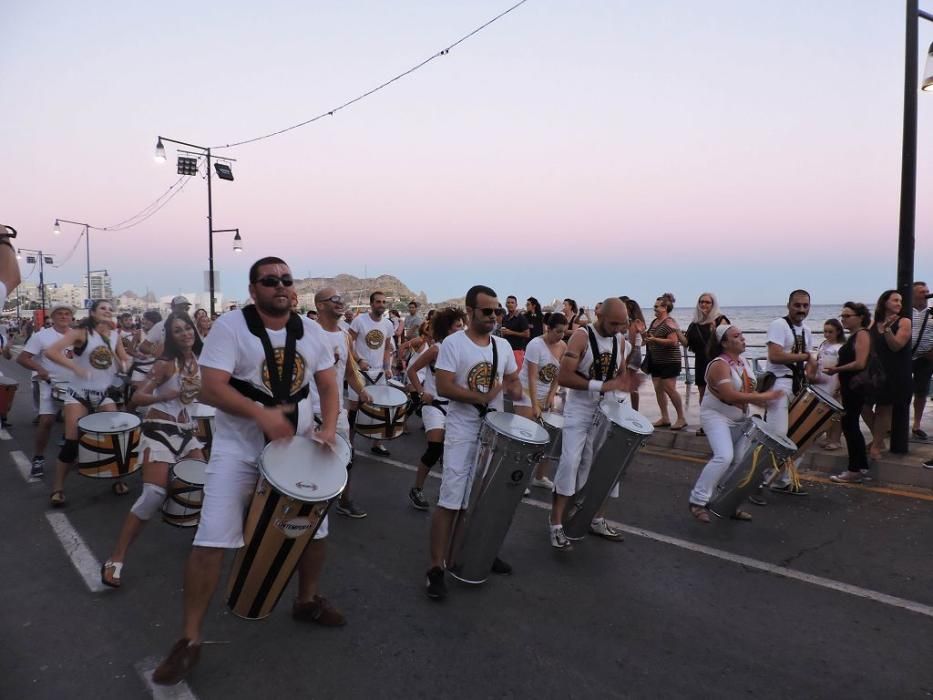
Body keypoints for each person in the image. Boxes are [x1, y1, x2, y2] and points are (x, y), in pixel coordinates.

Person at [151, 257, 340, 686]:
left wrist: (328, 429)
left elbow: (328, 385)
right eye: (270, 280)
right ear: (253, 289)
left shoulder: (310, 331)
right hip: (238, 451)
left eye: (286, 280)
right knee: (210, 541)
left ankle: (306, 600)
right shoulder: (231, 328)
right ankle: (189, 640)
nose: (280, 286)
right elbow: (211, 387)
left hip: (299, 450)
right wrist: (260, 415)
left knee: (313, 535)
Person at [425, 285, 522, 600]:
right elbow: (444, 386)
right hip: (462, 430)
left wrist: (517, 393)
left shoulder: (503, 347)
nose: (493, 316)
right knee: (451, 499)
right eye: (487, 311)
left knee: (481, 499)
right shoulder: (453, 344)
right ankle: (436, 568)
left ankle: (472, 552)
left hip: (492, 433)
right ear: (469, 312)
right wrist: (484, 396)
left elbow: (512, 382)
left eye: (497, 311)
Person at [101, 312, 205, 587]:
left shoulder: (198, 361)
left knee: (204, 485)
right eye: (178, 330)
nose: (185, 334)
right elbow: (137, 398)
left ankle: (205, 543)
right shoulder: (165, 364)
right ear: (170, 337)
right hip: (158, 429)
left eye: (187, 329)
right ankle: (117, 557)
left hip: (187, 432)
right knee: (152, 495)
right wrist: (163, 395)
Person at [548, 298, 632, 550]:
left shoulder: (620, 341)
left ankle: (596, 518)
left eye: (622, 324)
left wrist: (622, 390)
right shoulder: (581, 337)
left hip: (607, 409)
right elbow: (563, 376)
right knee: (571, 462)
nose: (618, 328)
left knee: (606, 465)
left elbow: (621, 374)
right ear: (600, 316)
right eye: (613, 323)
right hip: (579, 409)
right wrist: (601, 386)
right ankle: (555, 524)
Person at [688, 325, 782, 522]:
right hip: (716, 416)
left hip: (739, 418)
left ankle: (723, 502)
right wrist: (761, 397)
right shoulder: (719, 364)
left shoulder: (743, 362)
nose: (743, 338)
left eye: (742, 335)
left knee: (738, 462)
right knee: (724, 456)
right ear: (724, 342)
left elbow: (748, 390)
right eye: (737, 336)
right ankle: (697, 501)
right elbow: (729, 395)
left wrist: (763, 398)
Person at [45, 300, 132, 506]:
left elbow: (124, 362)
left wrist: (123, 363)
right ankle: (58, 488)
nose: (107, 312)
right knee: (72, 443)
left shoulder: (115, 336)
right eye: (103, 308)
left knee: (116, 438)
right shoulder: (81, 333)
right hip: (79, 394)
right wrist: (75, 368)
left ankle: (118, 479)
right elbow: (52, 352)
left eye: (110, 309)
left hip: (103, 394)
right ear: (92, 312)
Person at [311, 287, 373, 519]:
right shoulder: (309, 333)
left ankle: (344, 501)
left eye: (341, 298)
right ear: (320, 305)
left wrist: (361, 390)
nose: (340, 302)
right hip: (310, 410)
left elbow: (349, 371)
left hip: (336, 411)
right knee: (310, 460)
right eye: (334, 299)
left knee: (346, 457)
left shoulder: (345, 335)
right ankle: (308, 504)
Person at [756, 289, 816, 500]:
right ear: (788, 305)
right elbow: (775, 355)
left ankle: (783, 480)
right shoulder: (779, 325)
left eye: (805, 306)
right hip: (779, 386)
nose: (801, 309)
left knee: (801, 435)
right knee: (778, 435)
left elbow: (806, 363)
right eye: (797, 305)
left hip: (798, 386)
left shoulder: (807, 331)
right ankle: (756, 481)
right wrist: (808, 356)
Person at [405, 307, 466, 510]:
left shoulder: (464, 351)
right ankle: (417, 488)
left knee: (454, 452)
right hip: (434, 406)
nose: (462, 329)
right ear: (447, 329)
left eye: (462, 325)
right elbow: (412, 370)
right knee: (435, 448)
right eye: (458, 326)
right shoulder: (436, 349)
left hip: (456, 408)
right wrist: (422, 392)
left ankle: (449, 493)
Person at [17, 303, 75, 478]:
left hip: (74, 386)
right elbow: (22, 358)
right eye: (60, 314)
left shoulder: (78, 336)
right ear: (53, 317)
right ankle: (38, 458)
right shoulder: (41, 336)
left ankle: (74, 455)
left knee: (75, 422)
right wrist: (40, 369)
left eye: (67, 314)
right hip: (50, 384)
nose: (64, 316)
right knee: (47, 421)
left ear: (71, 317)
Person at [513, 312, 567, 489]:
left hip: (545, 394)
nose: (560, 336)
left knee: (546, 438)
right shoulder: (536, 345)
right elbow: (532, 376)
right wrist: (535, 404)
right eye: (557, 331)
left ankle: (540, 476)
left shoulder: (563, 346)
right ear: (548, 328)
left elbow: (559, 374)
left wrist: (552, 395)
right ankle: (518, 477)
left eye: (563, 332)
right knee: (526, 437)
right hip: (527, 392)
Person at [825, 303, 873, 483]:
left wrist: (837, 369)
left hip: (856, 387)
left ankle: (855, 469)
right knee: (850, 425)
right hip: (850, 386)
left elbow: (860, 363)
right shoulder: (855, 335)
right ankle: (860, 466)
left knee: (850, 425)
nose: (843, 319)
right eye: (842, 315)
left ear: (860, 317)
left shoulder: (861, 334)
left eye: (847, 316)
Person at [347, 291, 396, 462]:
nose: (381, 304)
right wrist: (359, 360)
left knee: (382, 408)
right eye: (378, 302)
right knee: (354, 408)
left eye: (383, 301)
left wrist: (387, 366)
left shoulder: (388, 324)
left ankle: (377, 443)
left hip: (379, 372)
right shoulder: (359, 321)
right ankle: (349, 445)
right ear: (371, 304)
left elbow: (387, 347)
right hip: (359, 371)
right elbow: (347, 342)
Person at [864, 290, 912, 460]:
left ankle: (876, 445)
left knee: (884, 408)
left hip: (896, 372)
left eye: (900, 300)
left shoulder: (904, 322)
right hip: (876, 371)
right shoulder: (873, 323)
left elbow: (897, 346)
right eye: (895, 300)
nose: (899, 303)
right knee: (864, 405)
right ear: (884, 302)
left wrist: (887, 331)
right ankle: (880, 437)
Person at [644, 293, 687, 431]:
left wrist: (655, 340)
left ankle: (681, 418)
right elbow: (651, 337)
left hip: (670, 361)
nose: (654, 308)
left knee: (669, 389)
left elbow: (673, 342)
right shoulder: (654, 322)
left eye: (656, 306)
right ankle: (665, 417)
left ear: (665, 308)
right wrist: (643, 334)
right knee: (658, 389)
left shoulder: (669, 322)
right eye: (654, 306)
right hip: (656, 360)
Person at [685, 293, 730, 415]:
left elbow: (727, 341)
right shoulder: (695, 323)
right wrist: (675, 331)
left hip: (717, 361)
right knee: (702, 391)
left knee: (719, 391)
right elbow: (686, 343)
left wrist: (714, 331)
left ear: (713, 304)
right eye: (701, 302)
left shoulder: (720, 320)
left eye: (707, 302)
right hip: (700, 360)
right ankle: (706, 421)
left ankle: (722, 419)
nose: (703, 304)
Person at [806, 318, 845, 450]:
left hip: (834, 380)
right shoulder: (823, 344)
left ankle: (836, 439)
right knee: (824, 411)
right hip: (821, 380)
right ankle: (828, 437)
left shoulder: (841, 348)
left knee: (835, 413)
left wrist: (839, 386)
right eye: (825, 331)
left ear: (838, 332)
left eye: (830, 332)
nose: (827, 334)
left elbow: (842, 367)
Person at [909, 281, 933, 439]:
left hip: (926, 357)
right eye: (921, 291)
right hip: (905, 358)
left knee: (921, 392)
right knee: (899, 390)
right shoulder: (905, 312)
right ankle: (893, 422)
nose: (925, 293)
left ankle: (916, 424)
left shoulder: (932, 313)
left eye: (927, 291)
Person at [620, 297, 647, 412]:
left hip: (632, 352)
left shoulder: (633, 323)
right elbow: (644, 341)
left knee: (627, 382)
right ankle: (634, 410)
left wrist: (625, 361)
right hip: (637, 352)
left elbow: (630, 343)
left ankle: (632, 410)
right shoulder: (639, 322)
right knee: (631, 384)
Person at [500, 295, 530, 367]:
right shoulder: (505, 318)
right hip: (506, 350)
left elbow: (527, 334)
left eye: (512, 303)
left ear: (516, 305)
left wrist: (511, 332)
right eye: (508, 302)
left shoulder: (521, 318)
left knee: (517, 375)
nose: (510, 304)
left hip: (517, 351)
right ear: (505, 304)